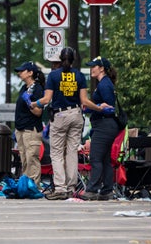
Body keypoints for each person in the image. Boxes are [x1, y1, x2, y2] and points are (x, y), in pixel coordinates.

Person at [30, 47, 105, 200]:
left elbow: (46, 100)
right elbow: (84, 101)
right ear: (73, 60)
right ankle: (71, 187)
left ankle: (60, 188)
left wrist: (34, 103)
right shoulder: (79, 76)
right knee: (71, 152)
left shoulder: (53, 76)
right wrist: (99, 108)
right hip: (76, 114)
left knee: (57, 153)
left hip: (60, 115)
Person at [79, 56, 119, 200]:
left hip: (104, 125)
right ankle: (107, 190)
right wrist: (89, 108)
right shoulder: (104, 83)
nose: (91, 69)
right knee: (104, 159)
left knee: (95, 157)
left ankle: (92, 190)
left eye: (94, 66)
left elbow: (108, 107)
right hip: (105, 125)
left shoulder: (104, 85)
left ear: (101, 68)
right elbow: (100, 107)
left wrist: (94, 108)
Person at [14, 61, 45, 185]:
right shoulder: (24, 88)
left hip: (31, 129)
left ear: (30, 73)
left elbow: (38, 112)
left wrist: (29, 103)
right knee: (24, 160)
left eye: (22, 71)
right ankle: (26, 185)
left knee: (32, 158)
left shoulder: (37, 88)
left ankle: (34, 186)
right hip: (21, 129)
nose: (20, 73)